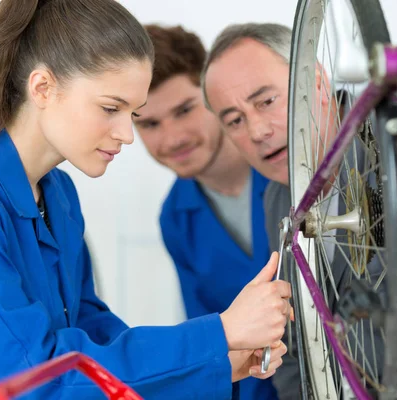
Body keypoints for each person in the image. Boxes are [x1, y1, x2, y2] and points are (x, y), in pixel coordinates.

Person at [0, 3, 293, 399]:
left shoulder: (58, 194)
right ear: (42, 87)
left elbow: (93, 330)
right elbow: (38, 377)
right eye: (111, 108)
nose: (128, 135)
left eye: (133, 113)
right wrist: (220, 333)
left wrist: (212, 360)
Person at [201, 22, 397, 400]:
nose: (256, 131)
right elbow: (298, 349)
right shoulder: (278, 200)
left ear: (315, 80)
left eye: (266, 101)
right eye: (234, 120)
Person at [133, 25, 279, 400]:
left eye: (184, 111)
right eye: (149, 124)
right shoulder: (176, 220)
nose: (172, 138)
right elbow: (215, 349)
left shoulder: (287, 168)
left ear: (213, 96)